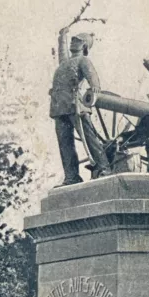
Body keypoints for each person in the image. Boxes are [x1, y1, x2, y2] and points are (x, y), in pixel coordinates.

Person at [49, 27, 110, 185]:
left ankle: (104, 167)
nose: (72, 42)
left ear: (84, 47)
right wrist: (62, 36)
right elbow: (62, 52)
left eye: (77, 40)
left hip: (75, 104)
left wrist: (94, 89)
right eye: (72, 39)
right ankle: (71, 176)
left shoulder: (83, 60)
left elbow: (93, 79)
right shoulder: (65, 62)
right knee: (65, 144)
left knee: (90, 138)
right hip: (58, 106)